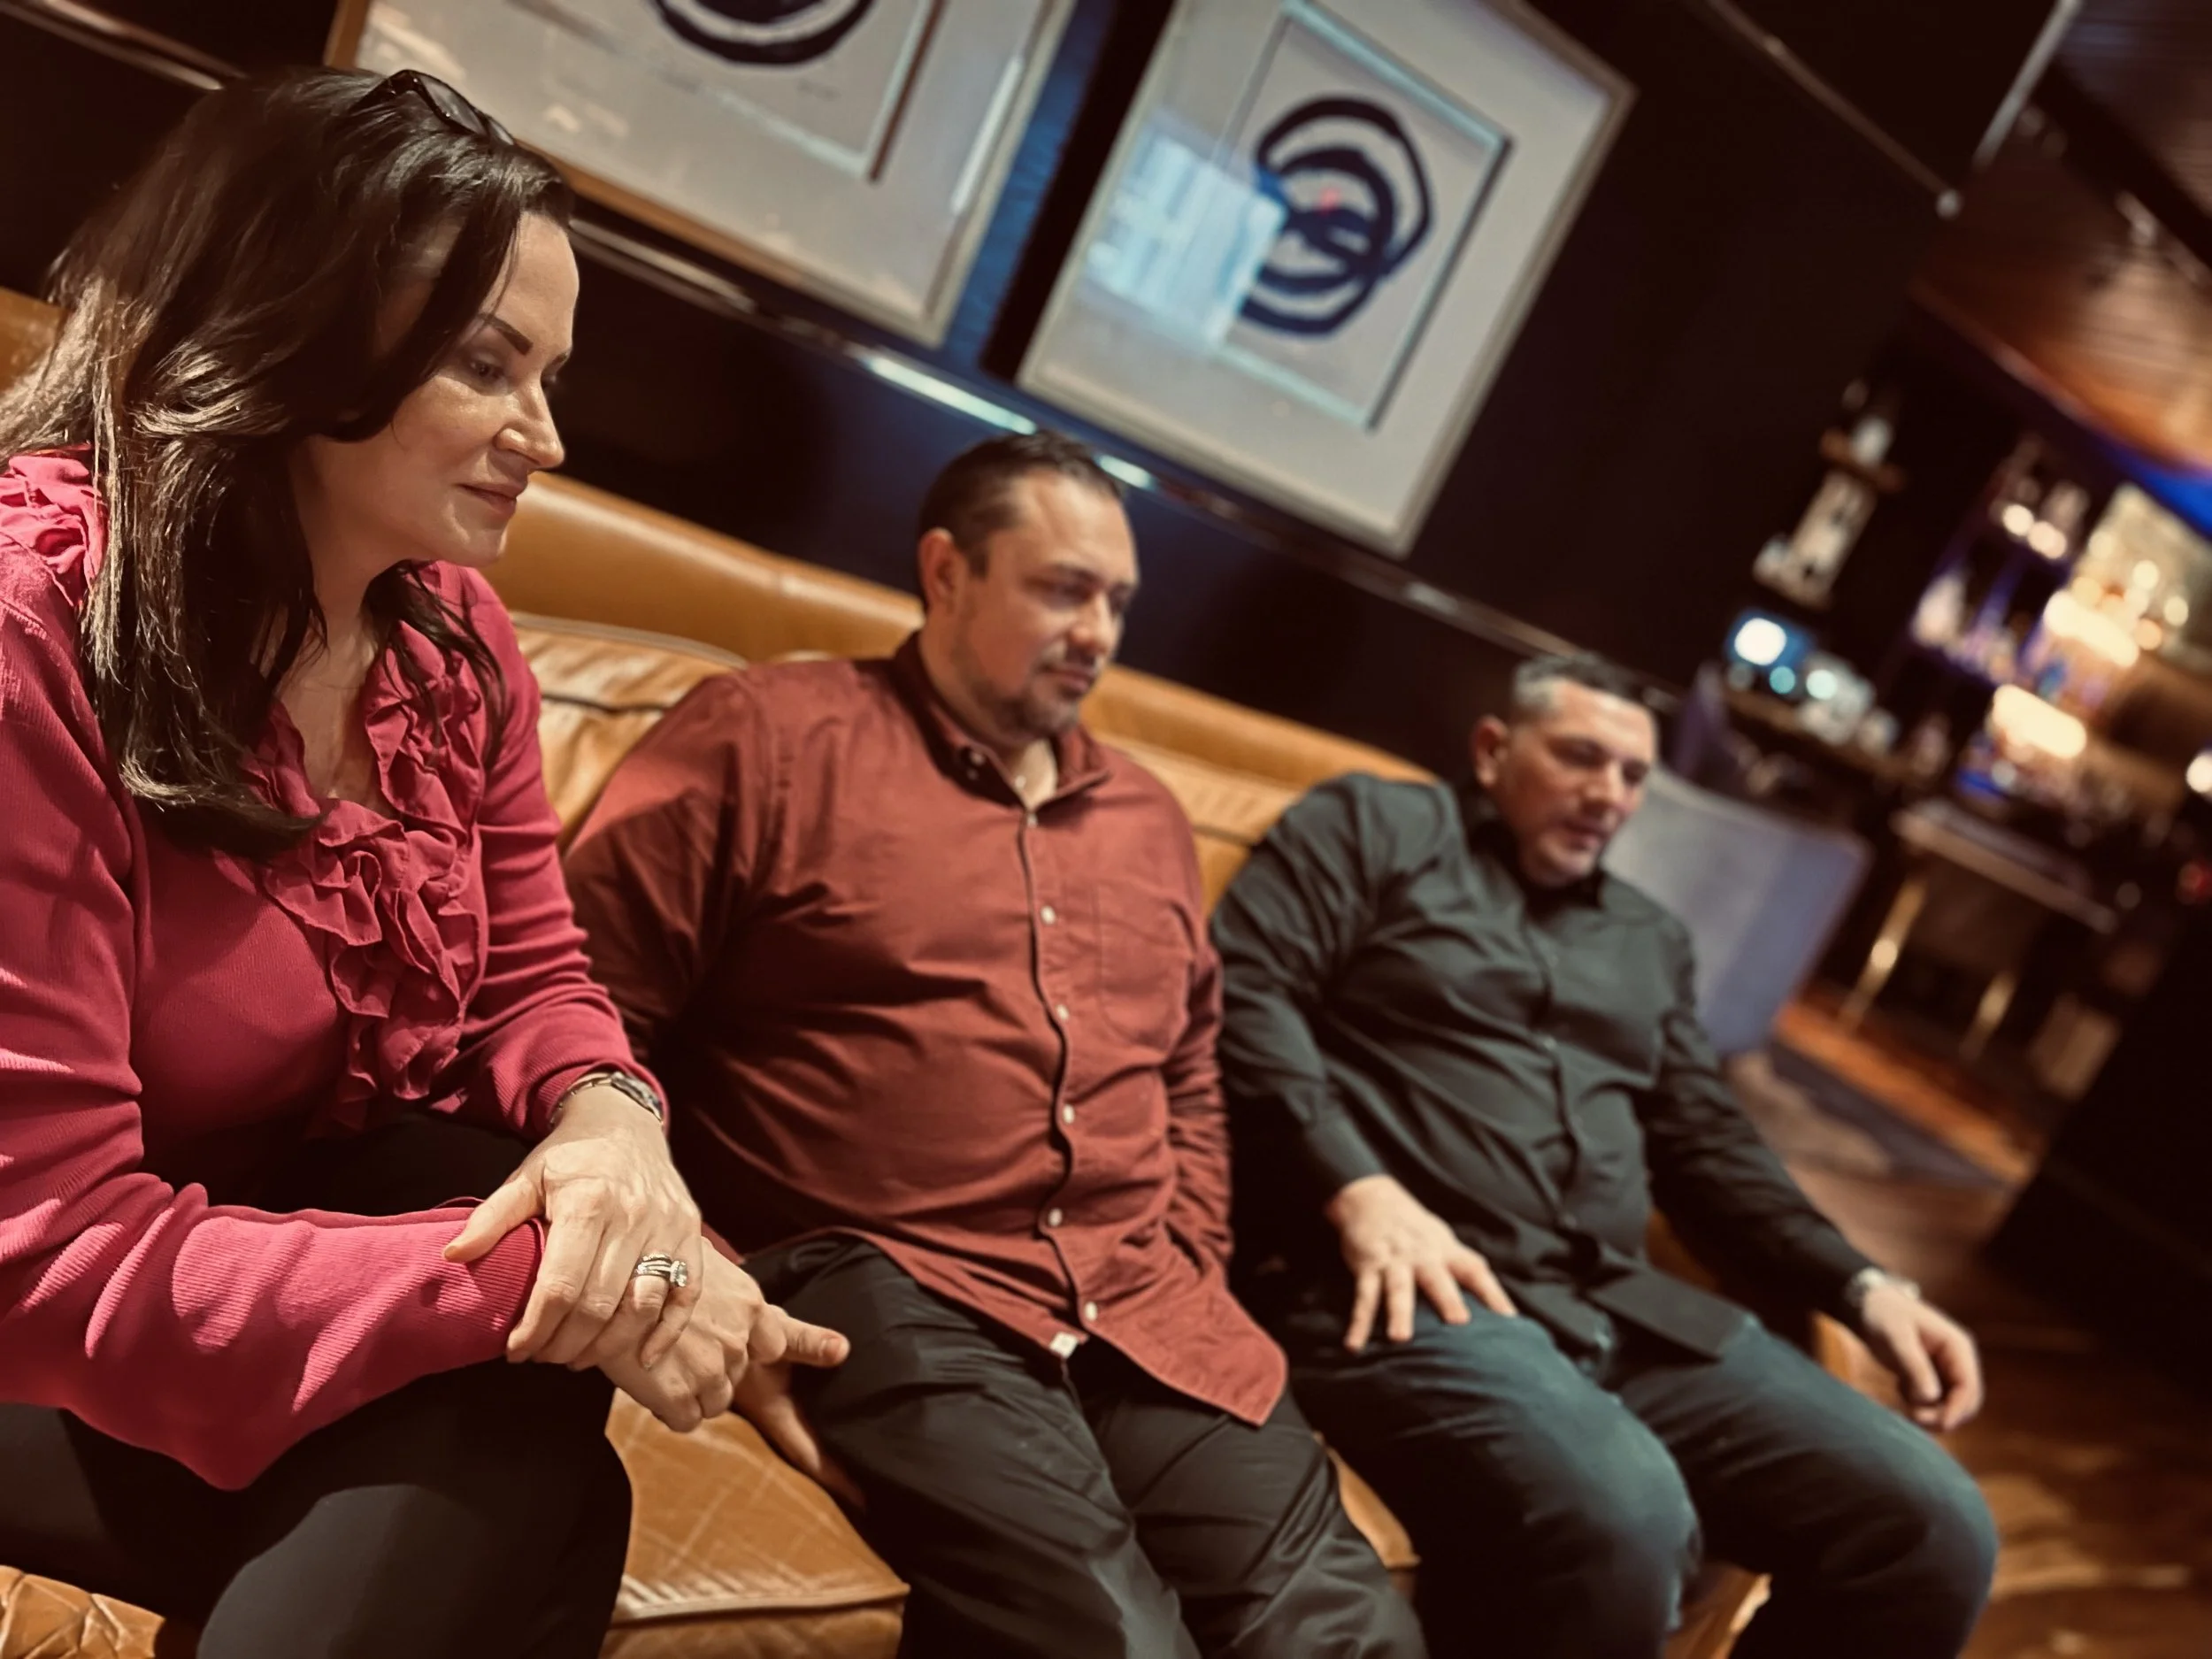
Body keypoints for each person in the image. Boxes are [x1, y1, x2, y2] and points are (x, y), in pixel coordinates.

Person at [0, 68, 841, 1658]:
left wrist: (616, 1142)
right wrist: (598, 1283)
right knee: (526, 1450)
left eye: (551, 372)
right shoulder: (32, 626)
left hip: (215, 1246)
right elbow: (43, 1253)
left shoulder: (452, 639)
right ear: (292, 329)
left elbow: (534, 971)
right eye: (486, 364)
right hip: (29, 1305)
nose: (548, 435)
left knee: (505, 1352)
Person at [563, 431, 1425, 1659]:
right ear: (947, 571)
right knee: (1109, 1639)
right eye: (1063, 588)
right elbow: (585, 1005)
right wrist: (702, 1269)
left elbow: (1189, 1065)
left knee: (1350, 1636)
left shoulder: (1145, 815)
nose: (1098, 631)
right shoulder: (769, 734)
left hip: (1145, 1304)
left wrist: (1190, 1250)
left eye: (1118, 600)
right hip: (890, 1281)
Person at [1210, 653, 1998, 1659]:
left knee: (1930, 1525)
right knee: (1626, 1517)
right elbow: (1244, 985)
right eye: (1580, 758)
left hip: (1624, 1310)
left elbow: (1706, 1143)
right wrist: (1354, 1186)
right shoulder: (1375, 830)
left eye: (1632, 775)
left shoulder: (1646, 938)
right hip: (1424, 1299)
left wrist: (1861, 1284)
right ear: (1494, 750)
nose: (1608, 796)